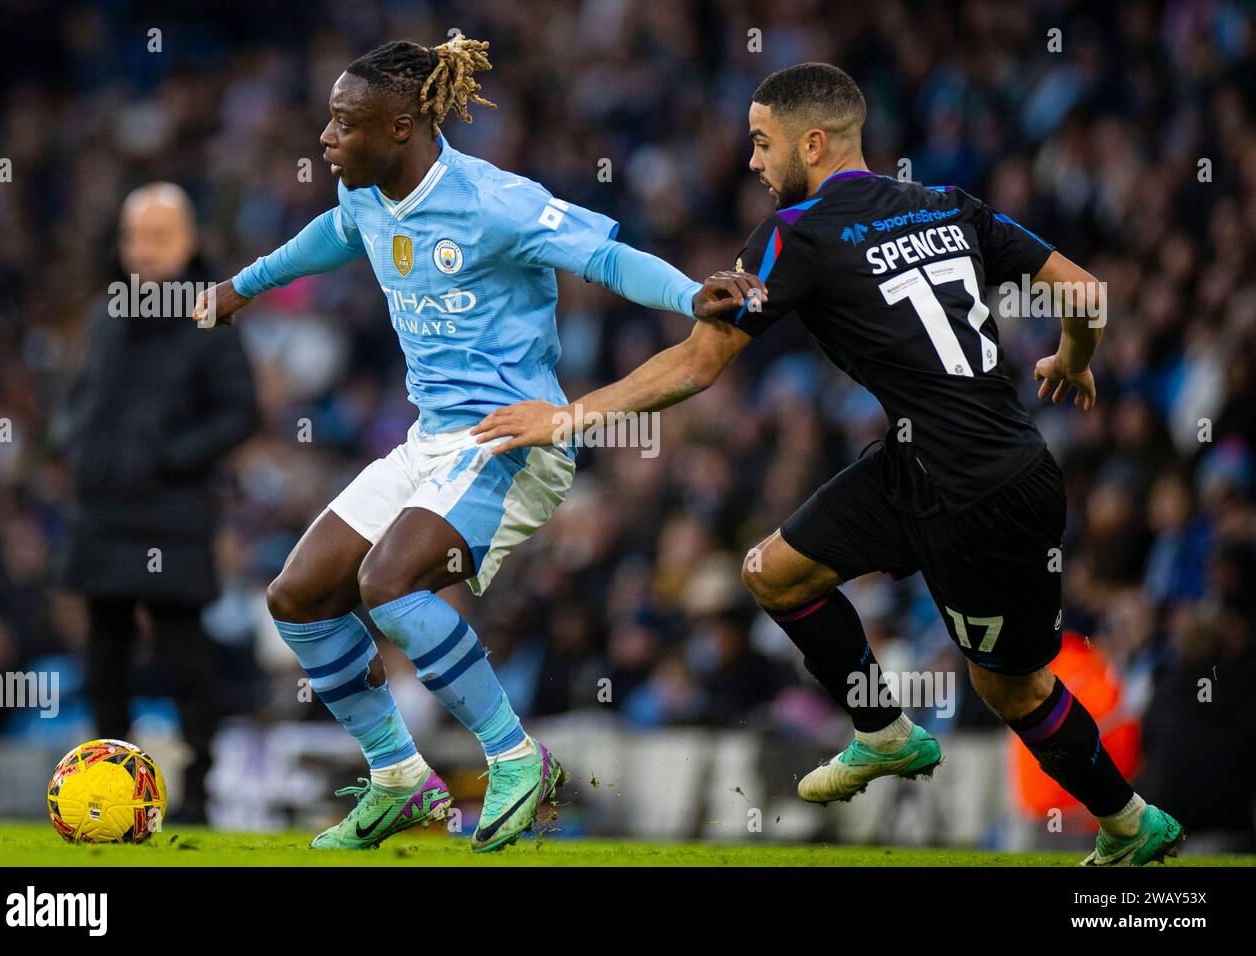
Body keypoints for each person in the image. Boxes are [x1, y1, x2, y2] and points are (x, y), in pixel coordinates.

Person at [472, 62, 1184, 866]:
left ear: (812, 142)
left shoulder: (793, 234)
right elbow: (1087, 294)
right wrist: (1071, 358)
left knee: (1011, 690)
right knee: (773, 572)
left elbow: (695, 368)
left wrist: (565, 417)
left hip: (977, 496)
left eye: (761, 142)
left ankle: (1129, 824)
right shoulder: (948, 204)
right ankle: (882, 730)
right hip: (948, 463)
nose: (752, 162)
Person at [192, 34, 747, 852]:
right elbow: (328, 237)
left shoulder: (494, 202)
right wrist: (242, 287)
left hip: (514, 440)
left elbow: (603, 257)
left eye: (345, 124)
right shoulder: (367, 197)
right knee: (299, 595)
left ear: (403, 127)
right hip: (431, 443)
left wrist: (690, 295)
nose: (326, 139)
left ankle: (518, 761)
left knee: (389, 584)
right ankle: (400, 780)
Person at [60, 182, 260, 823]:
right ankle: (108, 792)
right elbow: (80, 395)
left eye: (156, 236)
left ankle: (199, 793)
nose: (141, 251)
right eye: (132, 237)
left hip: (171, 515)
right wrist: (76, 441)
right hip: (104, 513)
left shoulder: (209, 316)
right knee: (104, 656)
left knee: (184, 655)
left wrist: (170, 458)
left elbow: (241, 412)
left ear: (188, 240)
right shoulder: (105, 313)